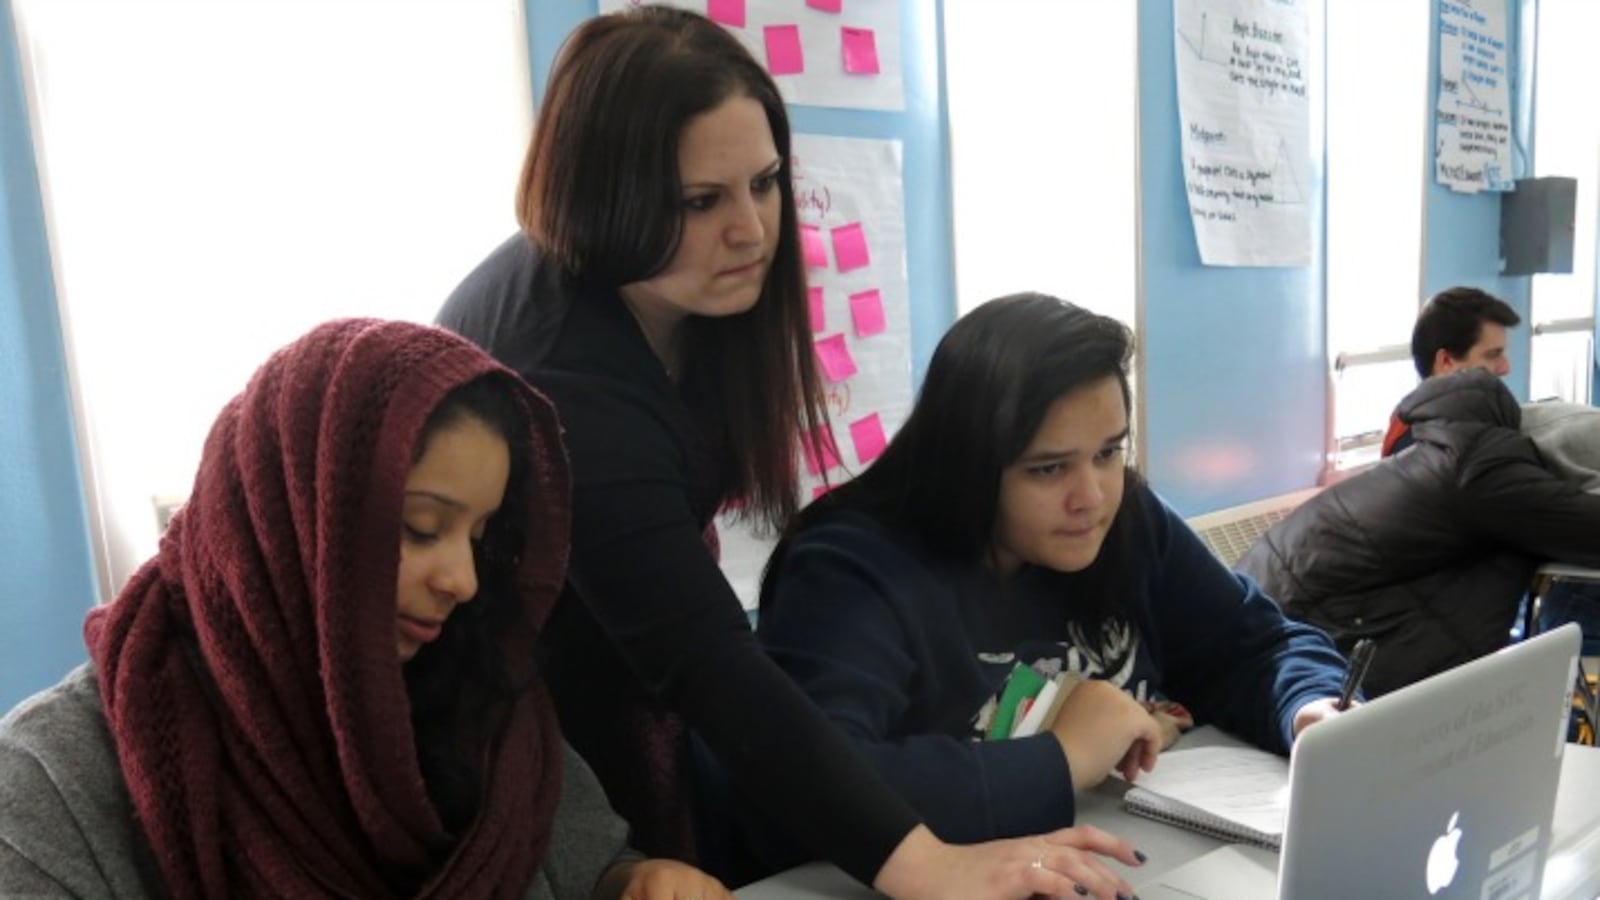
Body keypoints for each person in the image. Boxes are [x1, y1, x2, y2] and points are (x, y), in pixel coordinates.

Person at [436, 7, 1143, 899]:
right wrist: (926, 865)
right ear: (602, 193)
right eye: (701, 202)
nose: (752, 231)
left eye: (765, 184)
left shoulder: (688, 293)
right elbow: (707, 663)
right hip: (517, 727)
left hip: (618, 693)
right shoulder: (563, 367)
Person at [0, 319, 729, 900]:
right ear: (293, 523)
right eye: (421, 529)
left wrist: (634, 881)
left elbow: (590, 863)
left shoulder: (477, 696)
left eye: (480, 538)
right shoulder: (49, 781)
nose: (463, 581)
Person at [724, 293, 1349, 867]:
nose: (1092, 496)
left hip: (1129, 855)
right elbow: (814, 783)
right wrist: (1065, 757)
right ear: (966, 464)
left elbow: (1255, 643)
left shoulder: (1122, 516)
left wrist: (1310, 708)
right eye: (1048, 469)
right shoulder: (847, 572)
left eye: (1109, 452)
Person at [1239, 368, 1600, 696]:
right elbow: (1585, 529)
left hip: (1270, 603)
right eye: (1493, 353)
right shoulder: (1482, 472)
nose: (1506, 364)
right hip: (1291, 625)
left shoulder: (1453, 450)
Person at [1382, 286, 1521, 457]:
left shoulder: (1480, 428)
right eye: (1492, 355)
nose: (1506, 367)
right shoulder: (1419, 447)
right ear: (1446, 361)